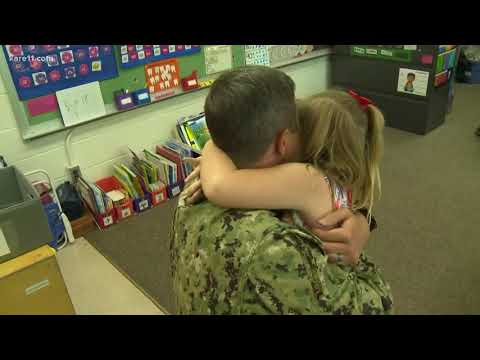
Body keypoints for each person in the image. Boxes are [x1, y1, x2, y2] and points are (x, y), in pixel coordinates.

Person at [170, 66, 393, 315]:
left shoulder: (306, 180)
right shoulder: (323, 182)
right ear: (283, 140)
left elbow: (220, 185)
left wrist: (213, 147)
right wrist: (362, 222)